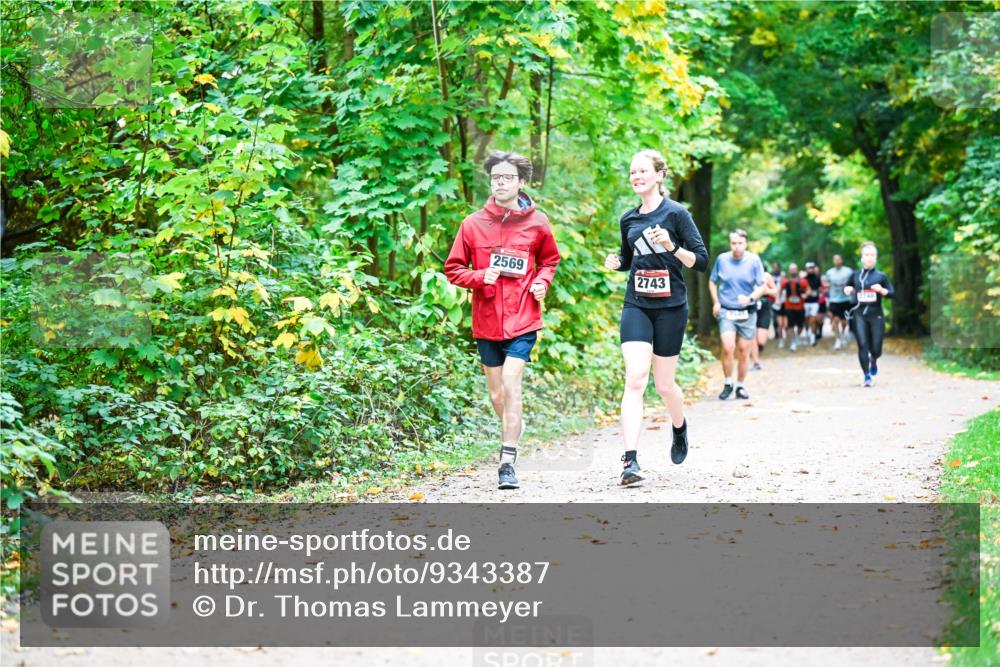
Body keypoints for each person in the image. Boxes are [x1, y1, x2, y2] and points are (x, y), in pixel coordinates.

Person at [445, 150, 561, 489]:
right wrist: (480, 276)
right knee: (497, 395)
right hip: (486, 321)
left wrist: (541, 283)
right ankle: (515, 425)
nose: (501, 183)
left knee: (512, 383)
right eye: (496, 177)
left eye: (508, 177)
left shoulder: (538, 222)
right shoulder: (472, 224)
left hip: (523, 318)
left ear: (521, 182)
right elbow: (453, 269)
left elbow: (549, 261)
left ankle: (507, 461)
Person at [604, 149, 708, 485]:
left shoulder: (676, 214)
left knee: (664, 385)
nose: (636, 177)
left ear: (660, 175)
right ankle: (630, 461)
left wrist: (673, 247)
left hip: (671, 307)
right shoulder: (628, 219)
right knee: (635, 378)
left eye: (643, 171)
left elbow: (701, 261)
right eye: (632, 172)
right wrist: (617, 263)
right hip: (636, 304)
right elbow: (628, 258)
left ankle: (679, 426)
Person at [709, 229, 767, 399]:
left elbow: (762, 286)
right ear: (730, 244)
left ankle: (740, 386)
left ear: (746, 244)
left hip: (747, 312)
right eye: (733, 243)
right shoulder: (722, 259)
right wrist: (716, 302)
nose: (736, 247)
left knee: (743, 350)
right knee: (728, 347)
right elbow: (712, 282)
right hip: (727, 310)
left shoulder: (754, 260)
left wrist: (750, 298)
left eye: (740, 243)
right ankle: (728, 383)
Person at [843, 242, 894, 387]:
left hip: (876, 315)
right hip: (859, 315)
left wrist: (882, 290)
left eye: (872, 255)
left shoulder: (881, 276)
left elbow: (892, 293)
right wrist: (847, 289)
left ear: (876, 258)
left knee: (876, 349)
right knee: (862, 344)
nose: (869, 258)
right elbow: (847, 287)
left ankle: (874, 359)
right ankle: (866, 376)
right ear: (862, 258)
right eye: (866, 255)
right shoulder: (855, 275)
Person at [749, 268, 778, 370]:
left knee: (761, 340)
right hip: (750, 308)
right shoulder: (745, 274)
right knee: (752, 336)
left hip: (764, 308)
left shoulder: (766, 276)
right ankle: (756, 362)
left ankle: (757, 349)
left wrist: (766, 291)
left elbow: (775, 291)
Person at [825, 254, 854, 350]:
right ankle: (837, 339)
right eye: (835, 260)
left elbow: (853, 283)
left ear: (842, 260)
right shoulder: (829, 272)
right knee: (835, 320)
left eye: (839, 259)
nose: (837, 261)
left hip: (845, 299)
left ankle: (842, 334)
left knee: (844, 322)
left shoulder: (848, 271)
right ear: (833, 261)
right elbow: (826, 284)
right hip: (834, 300)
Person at [780, 263, 811, 352]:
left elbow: (808, 290)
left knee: (801, 326)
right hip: (789, 307)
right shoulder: (785, 281)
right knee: (790, 325)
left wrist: (806, 295)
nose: (793, 271)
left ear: (797, 270)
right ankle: (793, 341)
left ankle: (796, 337)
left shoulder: (802, 281)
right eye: (791, 269)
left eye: (794, 269)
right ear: (789, 271)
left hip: (800, 307)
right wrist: (778, 299)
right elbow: (779, 290)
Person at [803, 261, 822, 346]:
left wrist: (819, 292)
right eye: (809, 268)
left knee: (813, 319)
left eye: (812, 268)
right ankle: (808, 333)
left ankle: (813, 337)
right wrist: (806, 293)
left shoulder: (818, 278)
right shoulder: (803, 279)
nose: (811, 269)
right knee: (806, 320)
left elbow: (821, 289)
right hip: (806, 302)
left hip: (815, 302)